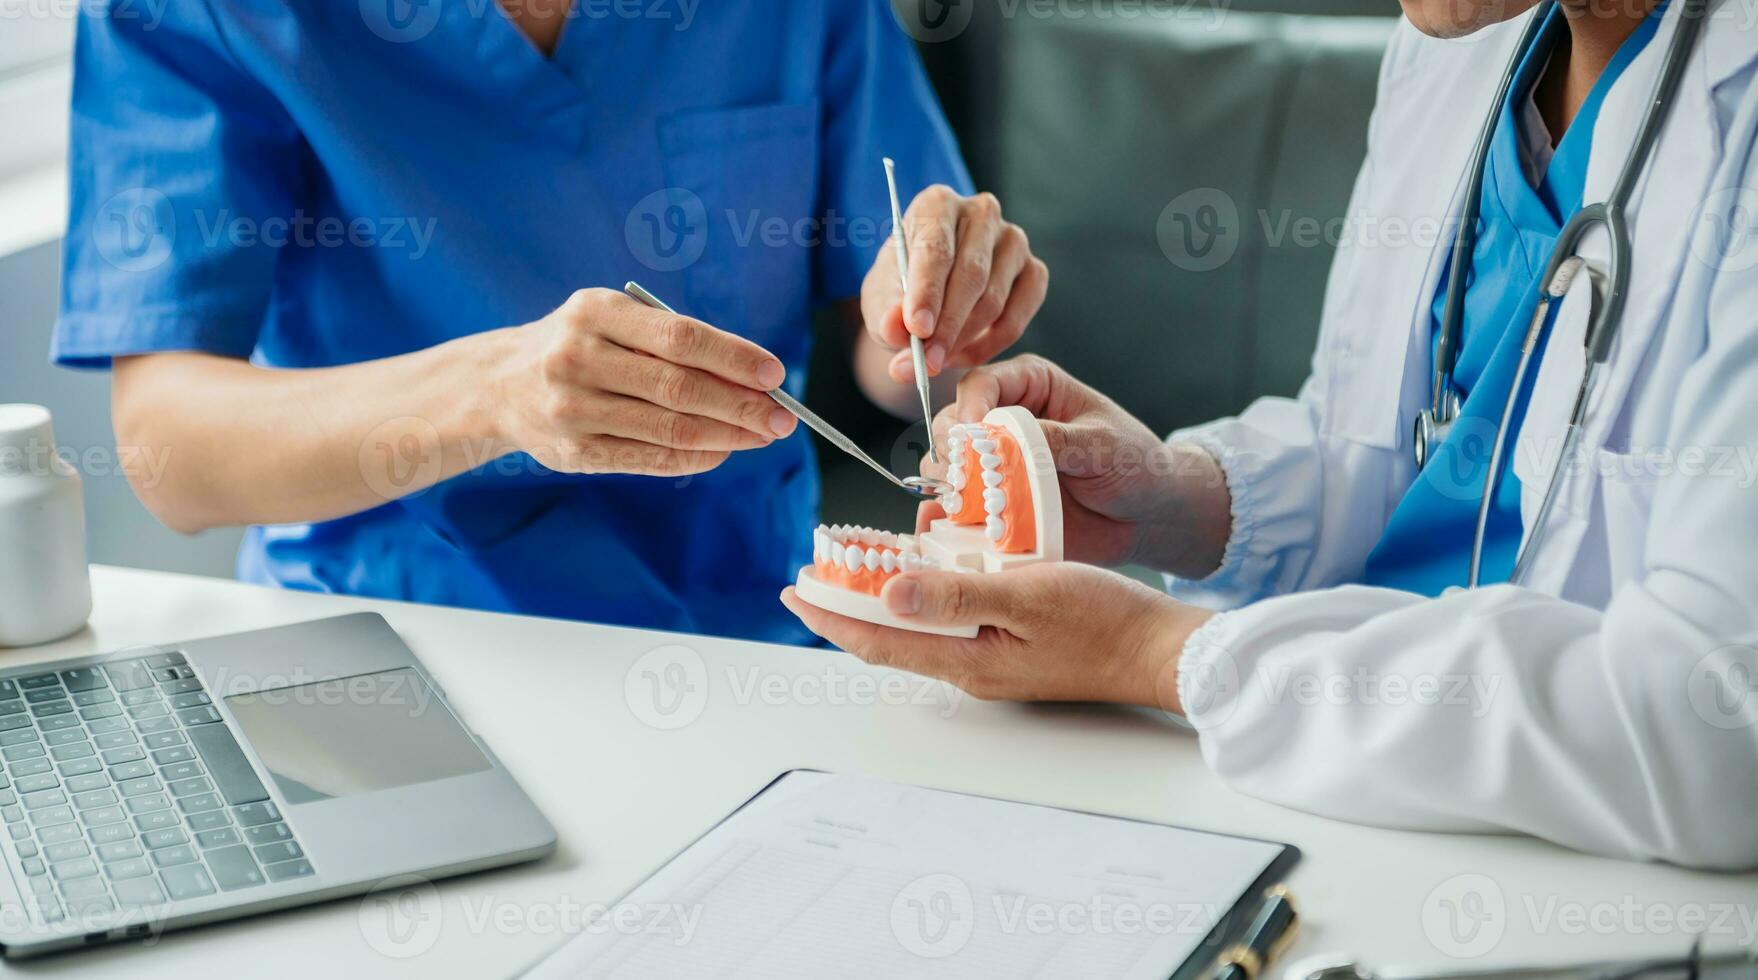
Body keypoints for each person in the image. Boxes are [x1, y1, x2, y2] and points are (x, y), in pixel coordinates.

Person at [785, 0, 1758, 870]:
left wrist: (1165, 658)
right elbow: (1386, 441)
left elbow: (1713, 726)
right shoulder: (1462, 47)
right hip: (1349, 798)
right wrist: (1174, 496)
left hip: (1599, 869)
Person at [54, 0, 1046, 644]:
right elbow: (167, 454)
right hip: (390, 644)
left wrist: (934, 317)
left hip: (752, 633)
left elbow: (888, 339)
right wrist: (496, 395)